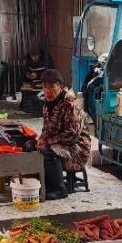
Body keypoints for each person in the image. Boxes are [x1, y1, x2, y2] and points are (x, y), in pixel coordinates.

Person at [37, 68, 91, 200]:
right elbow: (46, 129)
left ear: (60, 87)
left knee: (48, 151)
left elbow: (72, 136)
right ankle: (43, 185)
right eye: (45, 87)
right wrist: (42, 139)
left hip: (76, 147)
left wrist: (48, 142)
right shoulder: (47, 105)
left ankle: (59, 190)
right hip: (59, 143)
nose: (48, 91)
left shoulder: (70, 105)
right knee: (31, 146)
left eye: (52, 87)